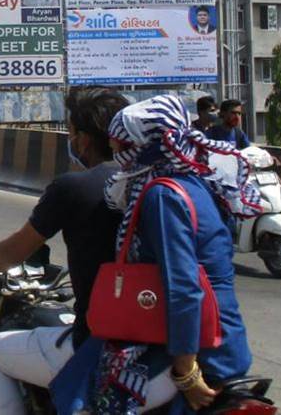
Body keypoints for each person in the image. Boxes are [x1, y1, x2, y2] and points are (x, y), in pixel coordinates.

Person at [49, 95, 261, 414]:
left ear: (144, 147)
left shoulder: (162, 195)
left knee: (81, 395)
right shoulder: (193, 182)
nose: (118, 155)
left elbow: (184, 289)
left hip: (198, 351)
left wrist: (186, 372)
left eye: (123, 146)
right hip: (214, 337)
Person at [0, 87, 129, 405]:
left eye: (71, 132)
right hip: (158, 341)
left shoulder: (74, 187)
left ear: (83, 139)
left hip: (97, 342)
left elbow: (16, 249)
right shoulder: (154, 182)